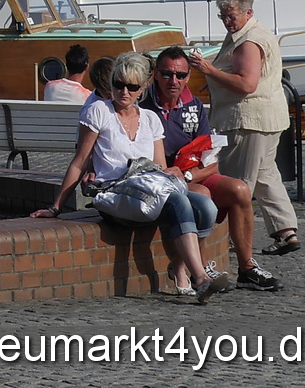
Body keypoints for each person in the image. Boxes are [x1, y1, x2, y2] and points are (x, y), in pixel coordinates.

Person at [31, 52, 228, 301]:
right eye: (118, 84)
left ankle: (179, 265)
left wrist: (177, 173)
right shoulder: (98, 112)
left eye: (132, 86)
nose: (124, 91)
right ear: (111, 84)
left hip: (149, 191)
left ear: (142, 88)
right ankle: (199, 278)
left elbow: (159, 168)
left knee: (206, 206)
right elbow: (79, 161)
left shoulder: (150, 119)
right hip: (116, 193)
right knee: (179, 201)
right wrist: (56, 207)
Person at [142, 46, 281, 291]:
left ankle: (247, 267)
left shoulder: (194, 105)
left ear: (188, 76)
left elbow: (212, 160)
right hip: (159, 180)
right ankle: (202, 267)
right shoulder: (143, 104)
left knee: (240, 189)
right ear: (155, 74)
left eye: (181, 75)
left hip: (188, 174)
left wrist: (188, 174)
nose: (174, 81)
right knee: (202, 196)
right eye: (166, 74)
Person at [188, 0, 300, 257]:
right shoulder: (251, 31)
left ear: (247, 12)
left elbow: (247, 84)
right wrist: (214, 83)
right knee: (265, 175)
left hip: (248, 121)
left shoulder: (249, 40)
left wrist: (209, 71)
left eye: (231, 16)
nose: (227, 21)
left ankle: (225, 240)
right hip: (266, 119)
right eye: (223, 16)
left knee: (238, 183)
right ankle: (286, 232)